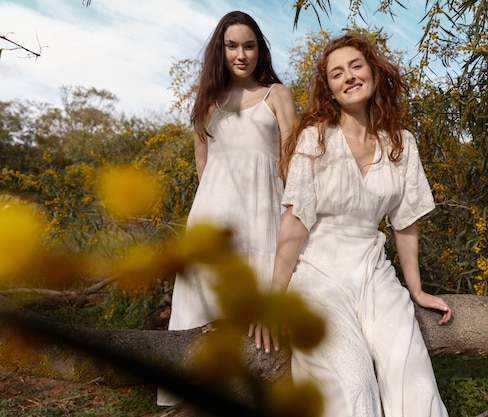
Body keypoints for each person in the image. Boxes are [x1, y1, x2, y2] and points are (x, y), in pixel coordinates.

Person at [257, 35, 451, 417]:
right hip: (319, 275)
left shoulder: (402, 143)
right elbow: (295, 222)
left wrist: (417, 290)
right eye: (336, 73)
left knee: (414, 379)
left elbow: (405, 222)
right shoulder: (315, 139)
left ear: (374, 71)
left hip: (375, 274)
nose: (348, 77)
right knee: (353, 383)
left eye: (356, 66)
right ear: (328, 89)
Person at [157, 10, 296, 407]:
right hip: (213, 217)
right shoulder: (206, 103)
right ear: (220, 50)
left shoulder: (277, 94)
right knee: (203, 305)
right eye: (232, 45)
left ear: (260, 50)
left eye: (249, 45)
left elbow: (292, 159)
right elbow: (204, 167)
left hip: (264, 213)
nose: (241, 54)